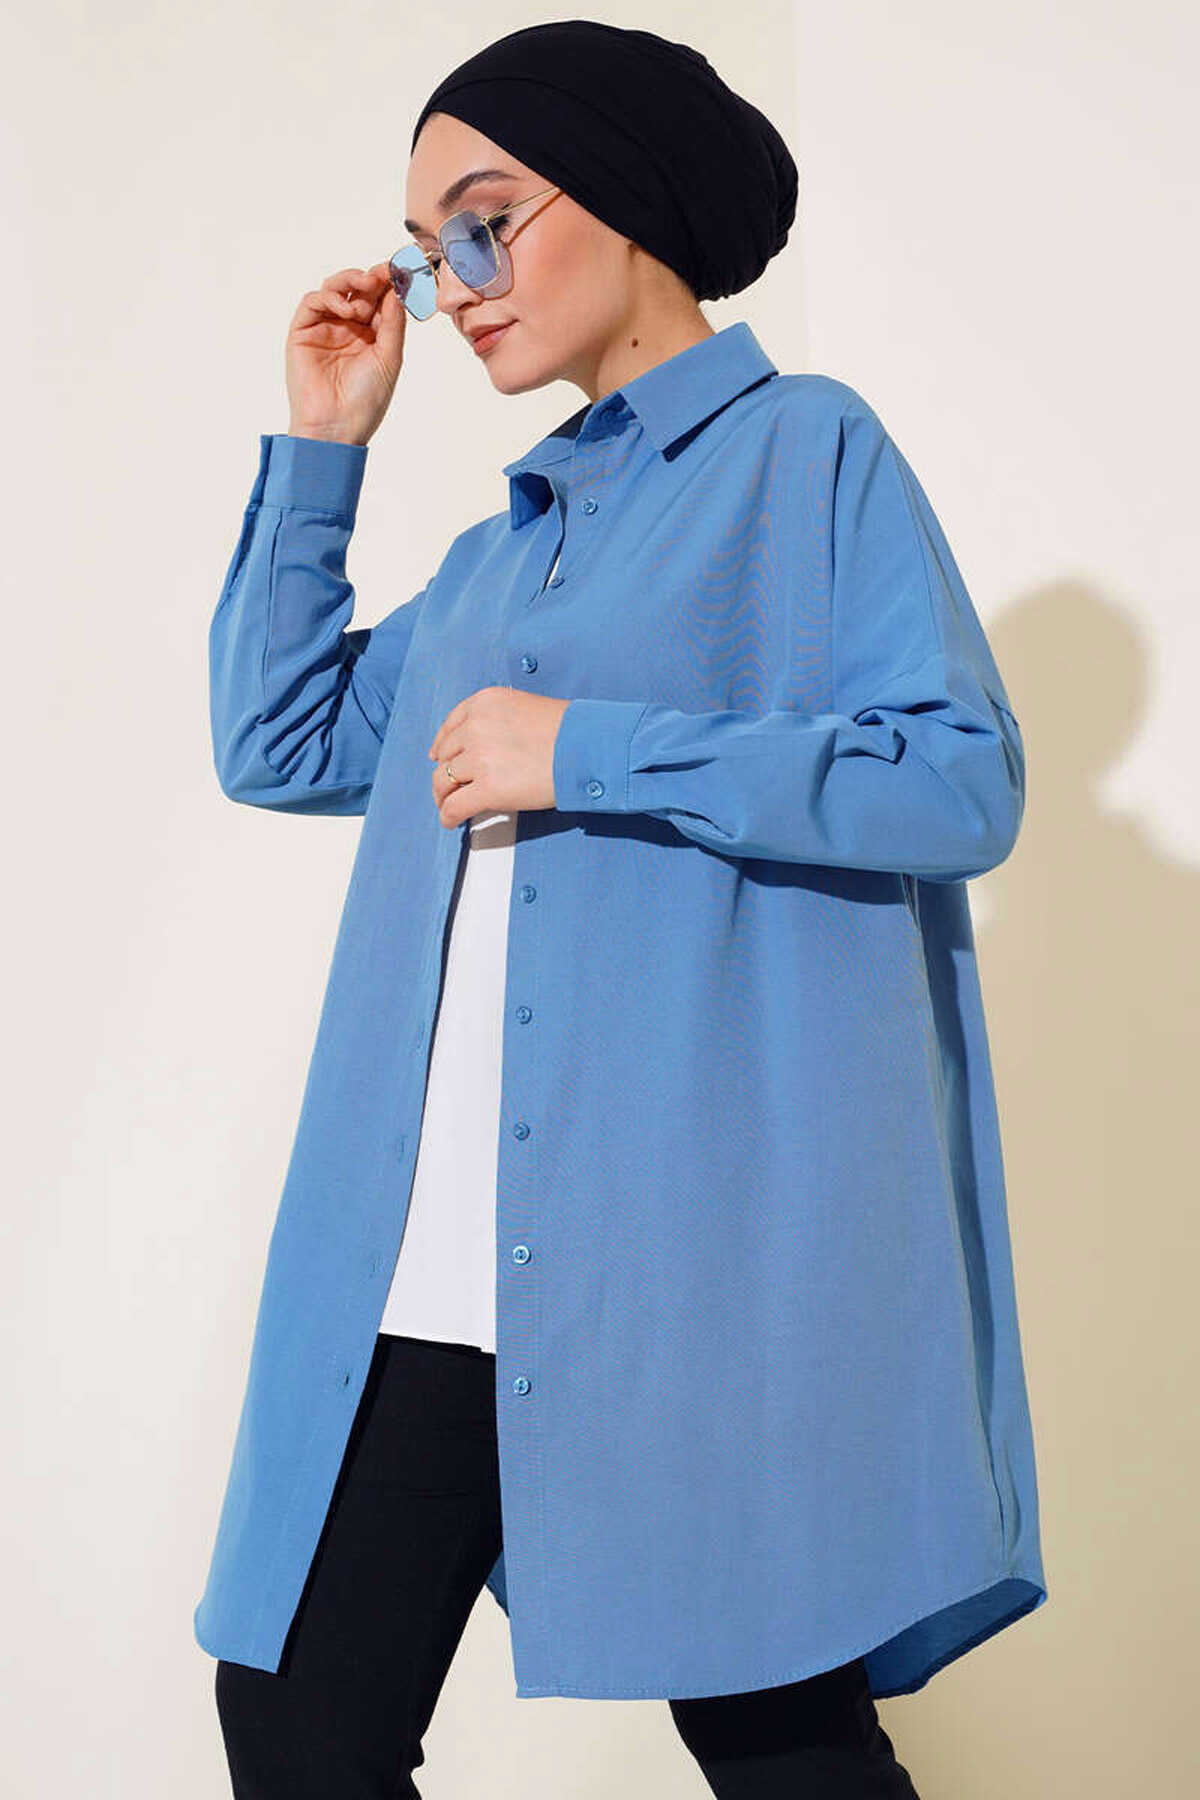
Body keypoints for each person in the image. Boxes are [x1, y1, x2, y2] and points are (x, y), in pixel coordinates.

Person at [198, 21, 1047, 1799]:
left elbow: (957, 779)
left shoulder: (809, 454)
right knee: (298, 1716)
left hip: (681, 1257)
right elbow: (276, 742)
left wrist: (591, 747)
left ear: (628, 194)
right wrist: (323, 446)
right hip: (427, 1266)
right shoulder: (496, 557)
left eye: (484, 221)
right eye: (426, 254)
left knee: (778, 1737)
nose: (454, 283)